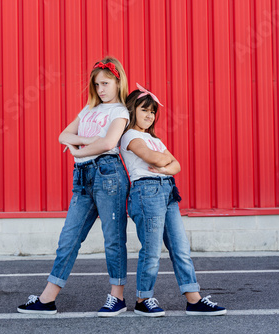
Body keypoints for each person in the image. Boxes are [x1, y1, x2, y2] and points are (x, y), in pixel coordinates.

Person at [18, 57, 130, 317]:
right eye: (97, 84)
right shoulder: (89, 110)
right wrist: (87, 139)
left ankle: (118, 297)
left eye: (106, 83)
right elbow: (63, 136)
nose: (100, 89)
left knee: (113, 239)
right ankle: (47, 299)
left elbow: (109, 143)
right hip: (82, 177)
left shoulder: (120, 111)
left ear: (117, 82)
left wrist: (79, 151)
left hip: (108, 175)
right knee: (69, 238)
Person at [120, 83, 227, 317]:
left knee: (180, 248)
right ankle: (142, 298)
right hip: (146, 192)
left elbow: (176, 165)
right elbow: (154, 159)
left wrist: (165, 167)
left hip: (167, 191)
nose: (149, 115)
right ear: (132, 110)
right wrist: (165, 164)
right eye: (144, 110)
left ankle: (193, 299)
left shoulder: (153, 138)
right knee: (151, 250)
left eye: (153, 112)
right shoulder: (130, 135)